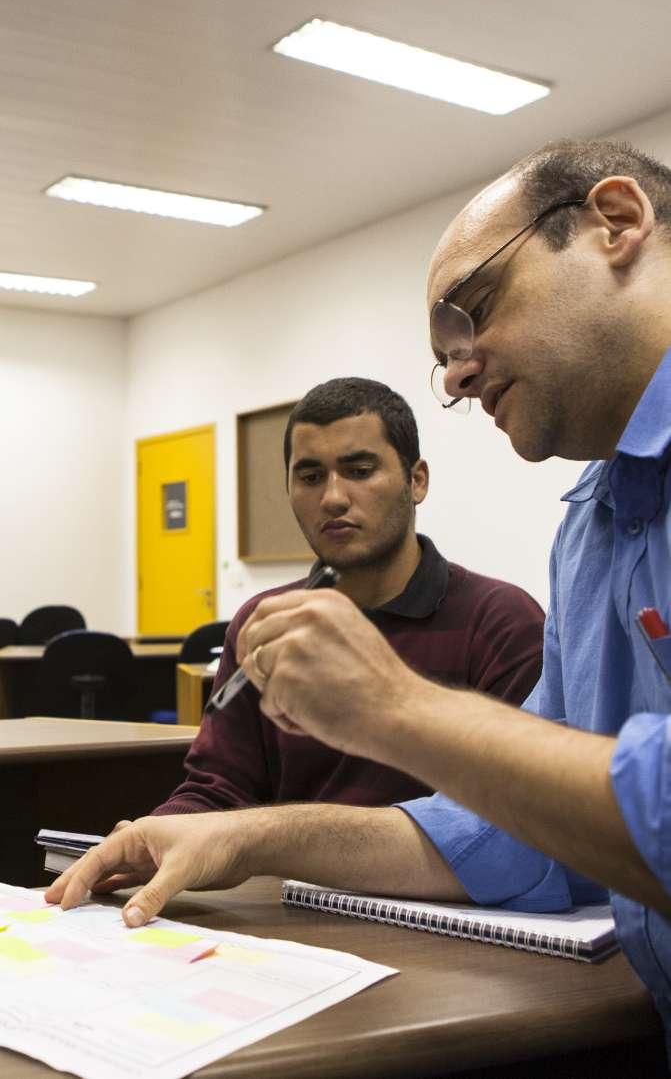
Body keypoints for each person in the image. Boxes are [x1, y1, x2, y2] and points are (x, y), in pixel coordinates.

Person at [47, 136, 671, 1050]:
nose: (458, 376)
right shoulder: (594, 527)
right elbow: (511, 832)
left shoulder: (506, 604)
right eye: (442, 355)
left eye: (476, 312)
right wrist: (239, 841)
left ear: (615, 224)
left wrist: (392, 708)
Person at [152, 376, 543, 813]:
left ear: (417, 481)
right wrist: (155, 838)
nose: (333, 498)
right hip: (283, 879)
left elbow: (507, 822)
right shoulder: (264, 623)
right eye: (311, 476)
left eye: (360, 472)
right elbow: (216, 789)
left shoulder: (503, 622)